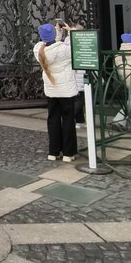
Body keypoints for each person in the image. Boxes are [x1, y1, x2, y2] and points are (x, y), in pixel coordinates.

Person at [33, 22, 78, 162]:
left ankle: (53, 152)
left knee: (53, 120)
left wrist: (57, 34)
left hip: (51, 90)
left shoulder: (38, 50)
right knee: (68, 120)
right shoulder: (64, 49)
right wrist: (71, 32)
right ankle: (68, 153)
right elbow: (75, 46)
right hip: (66, 91)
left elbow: (52, 46)